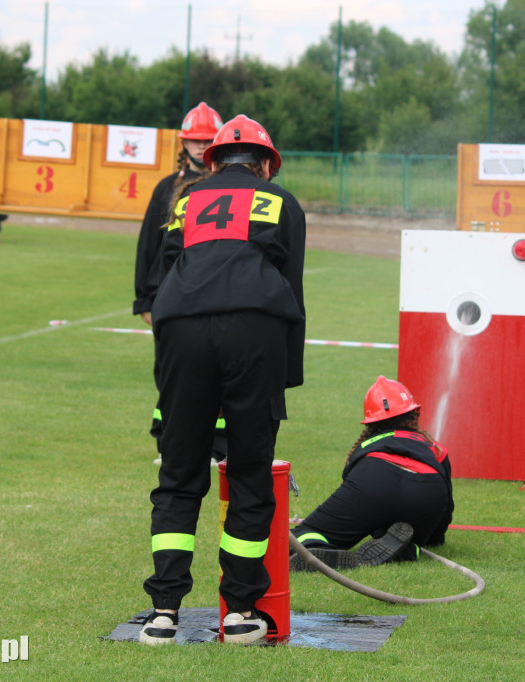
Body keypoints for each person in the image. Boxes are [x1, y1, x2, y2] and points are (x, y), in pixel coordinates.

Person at [139, 114, 306, 646]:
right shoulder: (282, 203)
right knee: (251, 473)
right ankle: (239, 612)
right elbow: (292, 291)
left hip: (182, 332)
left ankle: (163, 612)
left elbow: (164, 276)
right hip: (253, 330)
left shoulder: (186, 202)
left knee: (180, 473)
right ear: (265, 164)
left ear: (211, 161)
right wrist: (284, 379)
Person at [131, 102, 226, 465]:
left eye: (207, 141)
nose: (200, 147)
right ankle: (169, 441)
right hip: (170, 298)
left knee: (215, 373)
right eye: (194, 141)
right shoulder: (166, 188)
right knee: (169, 373)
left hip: (209, 298)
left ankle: (217, 446)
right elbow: (149, 247)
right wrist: (145, 299)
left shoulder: (225, 186)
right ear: (183, 143)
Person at [289, 376, 454, 573]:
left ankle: (313, 548)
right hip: (428, 489)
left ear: (370, 423)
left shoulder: (368, 444)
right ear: (414, 414)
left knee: (304, 533)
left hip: (375, 478)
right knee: (400, 534)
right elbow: (446, 507)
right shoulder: (435, 447)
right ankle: (409, 549)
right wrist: (433, 537)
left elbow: (355, 486)